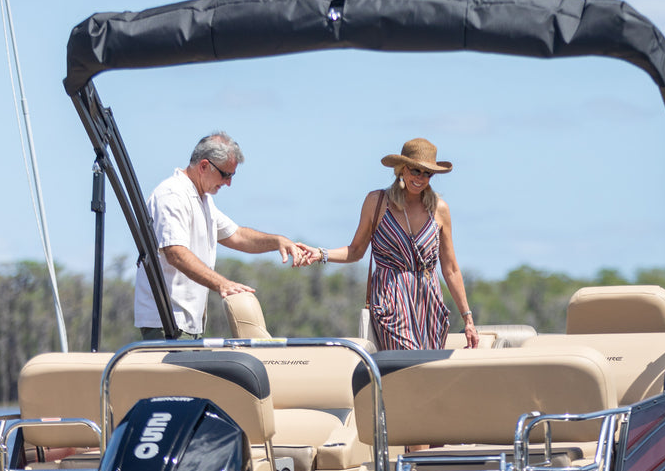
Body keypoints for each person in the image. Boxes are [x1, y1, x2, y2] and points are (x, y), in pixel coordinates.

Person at [300, 137, 479, 350]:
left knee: (428, 366)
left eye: (427, 173)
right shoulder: (377, 202)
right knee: (406, 359)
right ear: (402, 169)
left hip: (429, 304)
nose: (420, 178)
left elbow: (450, 269)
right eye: (415, 170)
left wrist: (468, 319)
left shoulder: (439, 209)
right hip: (390, 301)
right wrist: (321, 254)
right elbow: (356, 250)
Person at [134, 132, 313, 339]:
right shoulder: (172, 195)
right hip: (167, 322)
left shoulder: (203, 199)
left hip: (187, 323)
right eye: (225, 175)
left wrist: (278, 241)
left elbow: (237, 235)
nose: (228, 183)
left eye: (232, 176)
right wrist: (222, 284)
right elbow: (175, 253)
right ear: (204, 166)